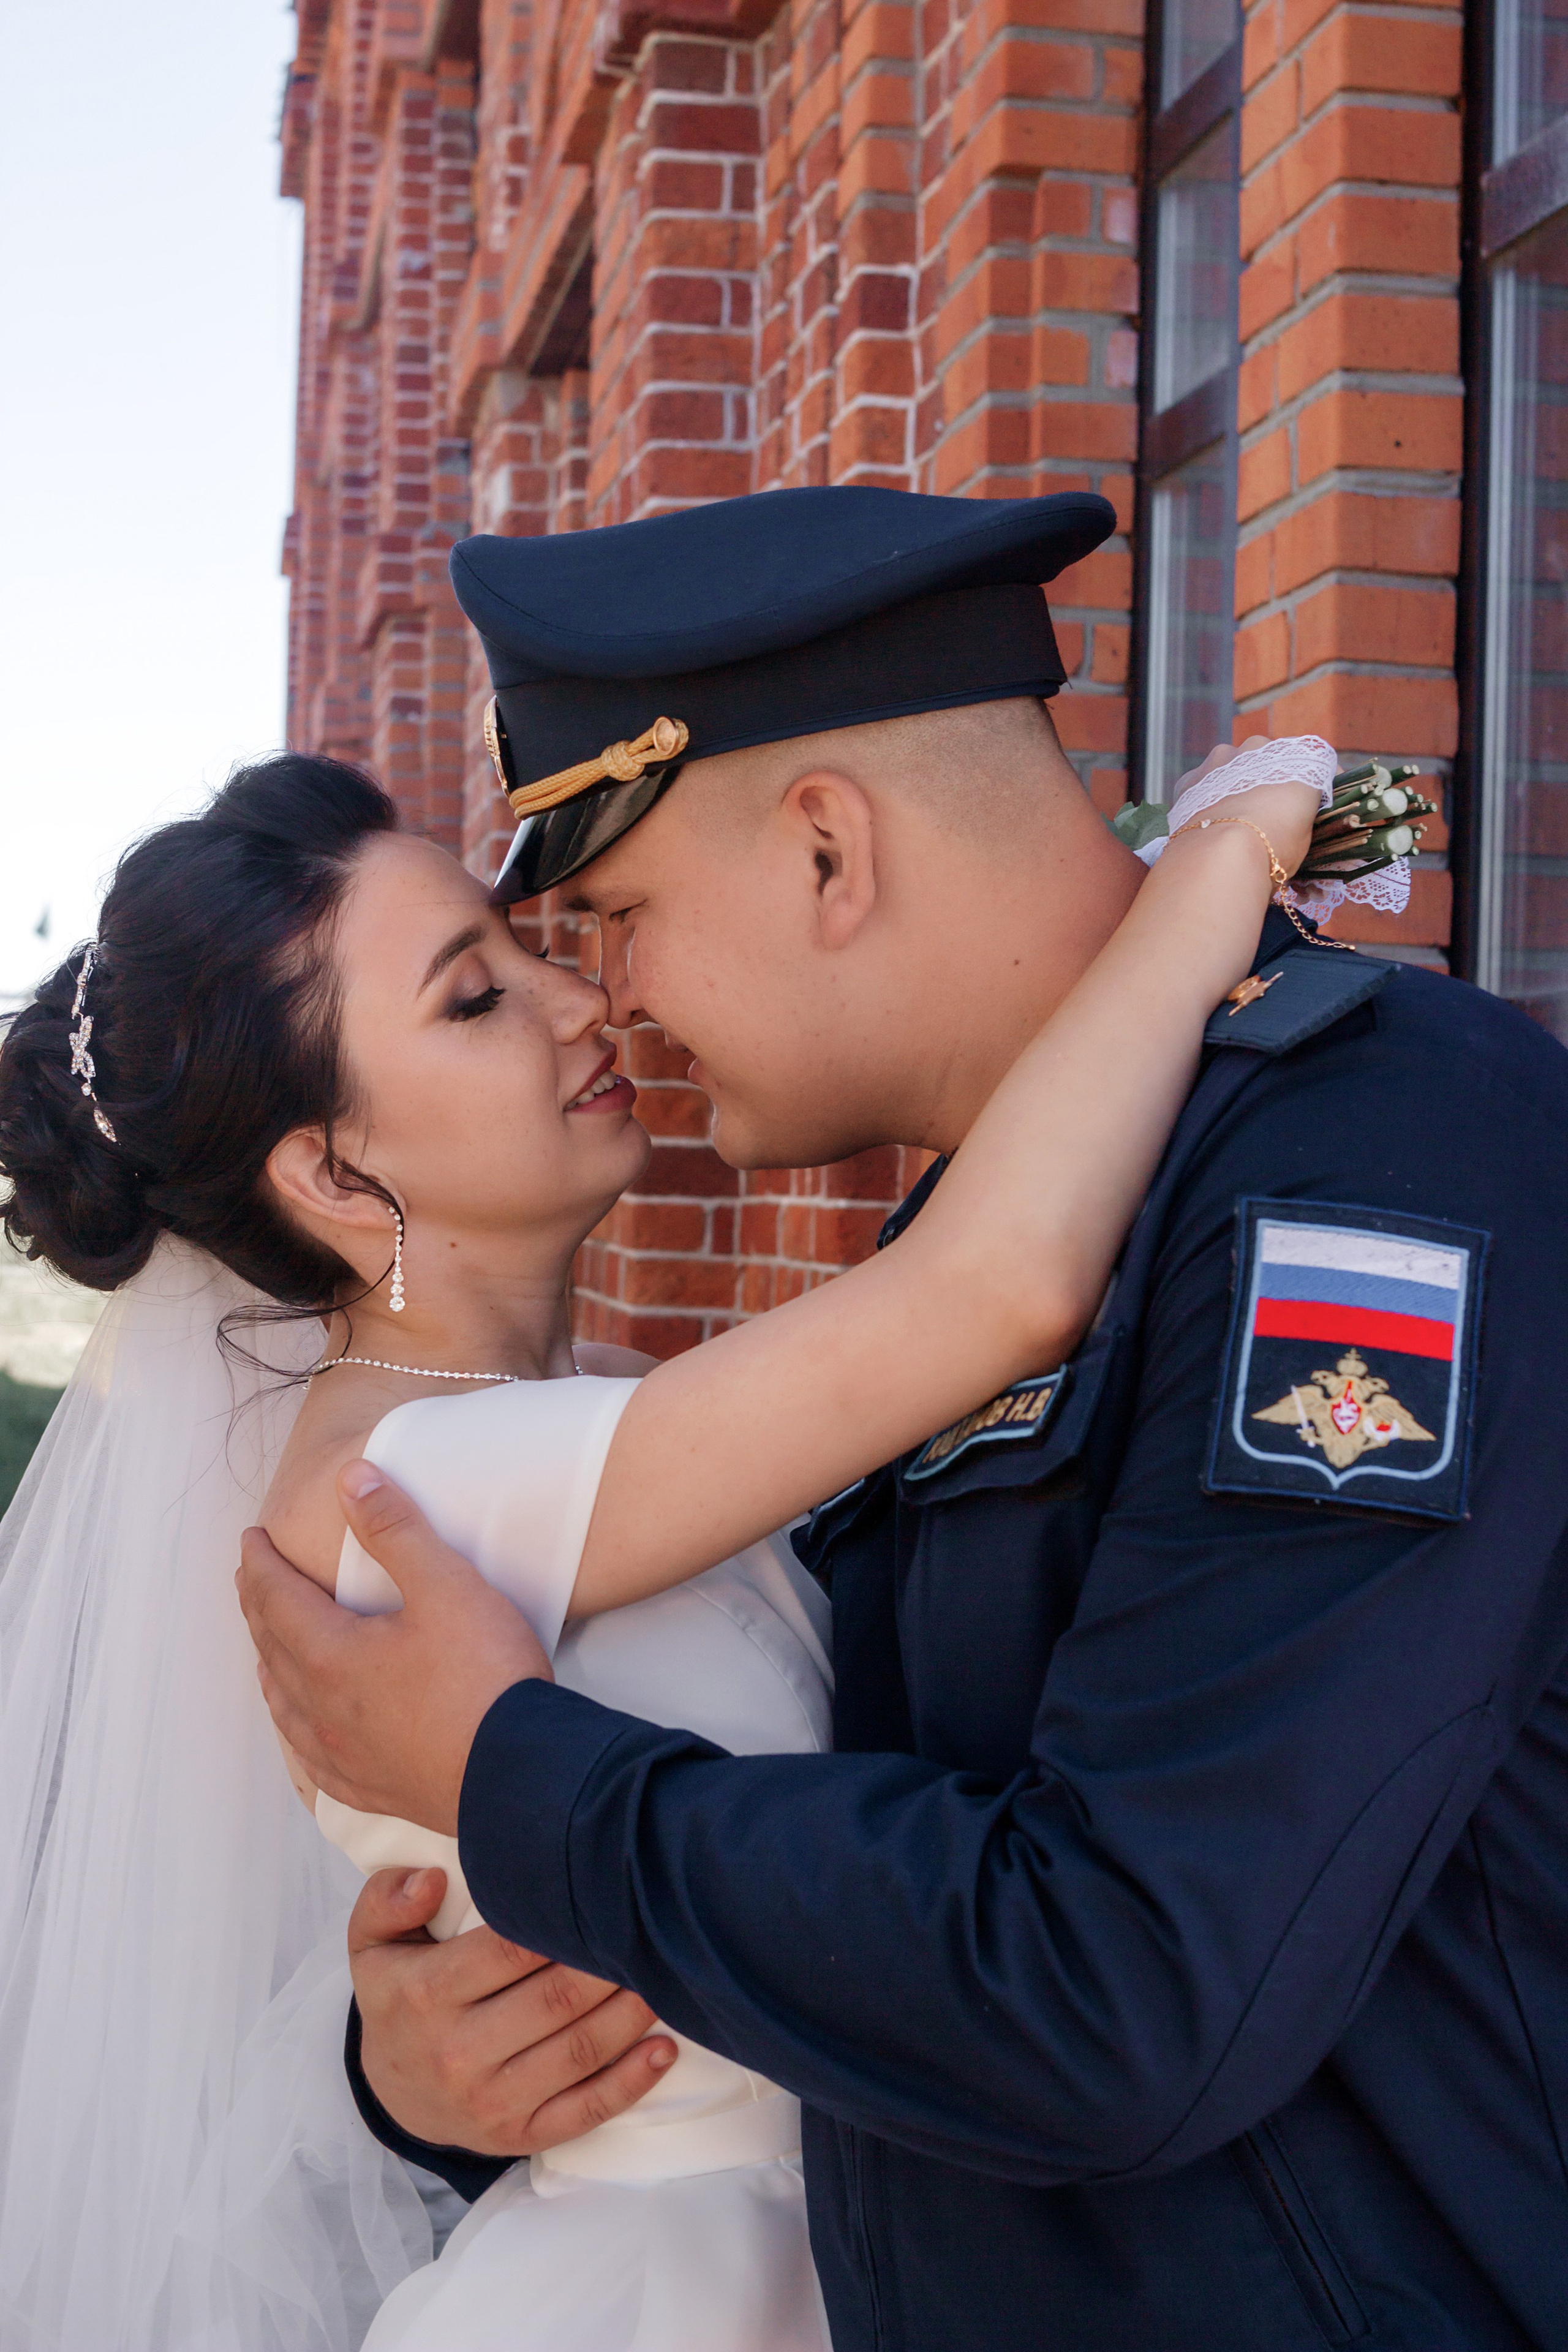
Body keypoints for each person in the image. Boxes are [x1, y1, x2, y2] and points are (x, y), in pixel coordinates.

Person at [247, 486, 1568, 2352]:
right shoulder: (973, 1240)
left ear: (826, 851)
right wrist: (460, 2075)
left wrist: (525, 1789)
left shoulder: (1368, 1159)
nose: (604, 998)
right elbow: (871, 1897)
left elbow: (1123, 1988)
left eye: (616, 911)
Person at [0, 608, 1318, 2345]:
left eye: (536, 945)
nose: (576, 997)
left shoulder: (602, 1411)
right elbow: (997, 1285)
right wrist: (1211, 872)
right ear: (329, 1171)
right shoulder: (403, 1485)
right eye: (474, 998)